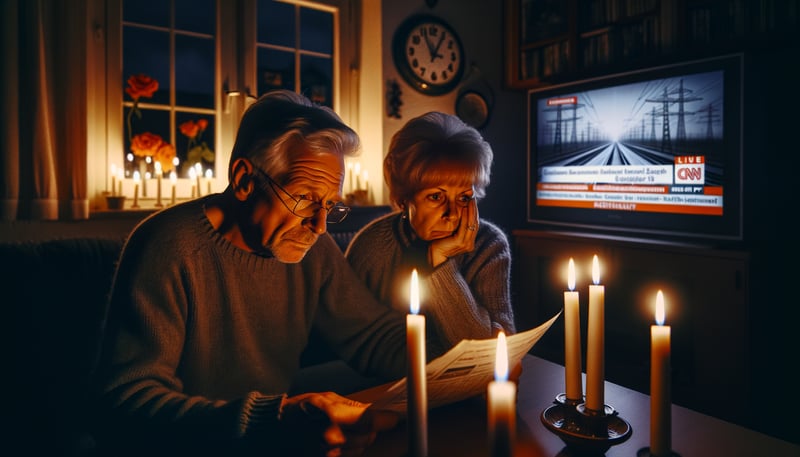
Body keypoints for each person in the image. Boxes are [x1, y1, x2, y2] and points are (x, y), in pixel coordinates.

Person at [92, 90, 411, 457]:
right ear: (244, 180)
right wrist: (268, 419)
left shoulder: (312, 248)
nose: (320, 225)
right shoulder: (169, 247)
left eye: (331, 205)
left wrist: (464, 361)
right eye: (305, 198)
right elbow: (124, 400)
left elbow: (371, 336)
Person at [345, 112, 515, 357]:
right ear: (404, 199)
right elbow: (357, 346)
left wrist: (441, 264)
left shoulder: (489, 245)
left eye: (464, 198)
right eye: (436, 197)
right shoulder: (371, 246)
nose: (453, 214)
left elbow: (489, 353)